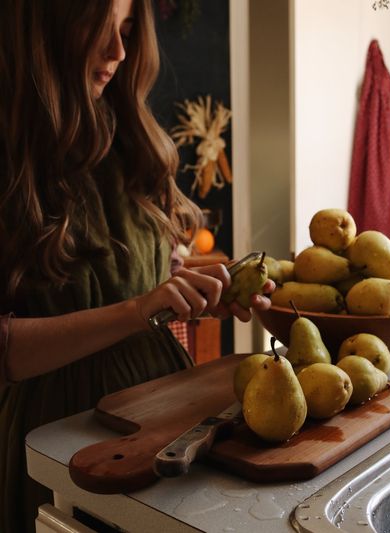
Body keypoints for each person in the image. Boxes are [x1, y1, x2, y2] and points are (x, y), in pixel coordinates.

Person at [0, 1, 275, 531]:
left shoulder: (127, 135)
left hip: (162, 407)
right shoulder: (13, 159)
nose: (119, 52)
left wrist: (197, 289)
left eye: (126, 30)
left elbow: (155, 272)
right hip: (59, 428)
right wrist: (139, 308)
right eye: (97, 30)